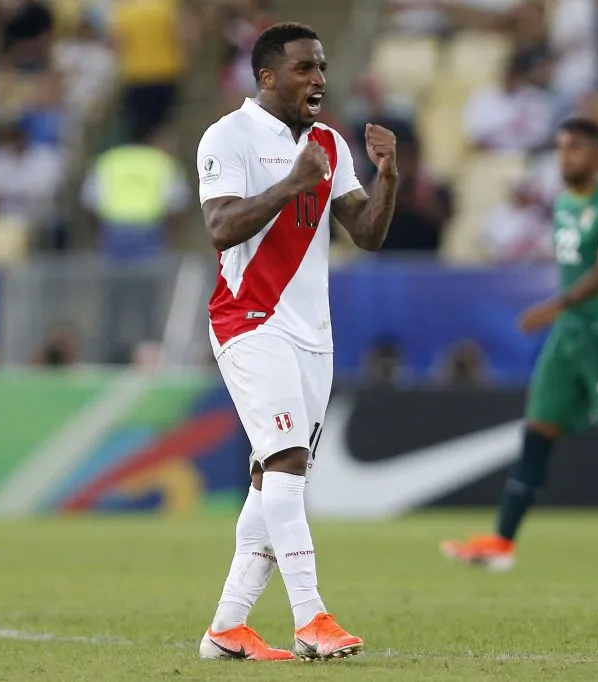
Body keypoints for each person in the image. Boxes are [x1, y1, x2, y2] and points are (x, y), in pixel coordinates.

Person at [195, 22, 398, 661]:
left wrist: (387, 175)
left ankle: (227, 628)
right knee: (286, 465)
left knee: (272, 479)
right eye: (306, 68)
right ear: (268, 77)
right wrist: (290, 184)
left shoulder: (329, 144)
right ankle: (312, 619)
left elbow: (366, 232)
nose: (319, 79)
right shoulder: (228, 136)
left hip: (313, 335)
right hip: (249, 321)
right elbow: (220, 226)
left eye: (323, 67)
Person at [441, 117, 598, 575]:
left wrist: (555, 305)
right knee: (538, 430)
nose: (564, 156)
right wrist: (562, 314)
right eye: (560, 148)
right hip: (568, 337)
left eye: (573, 148)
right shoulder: (565, 204)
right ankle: (502, 543)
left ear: (597, 152)